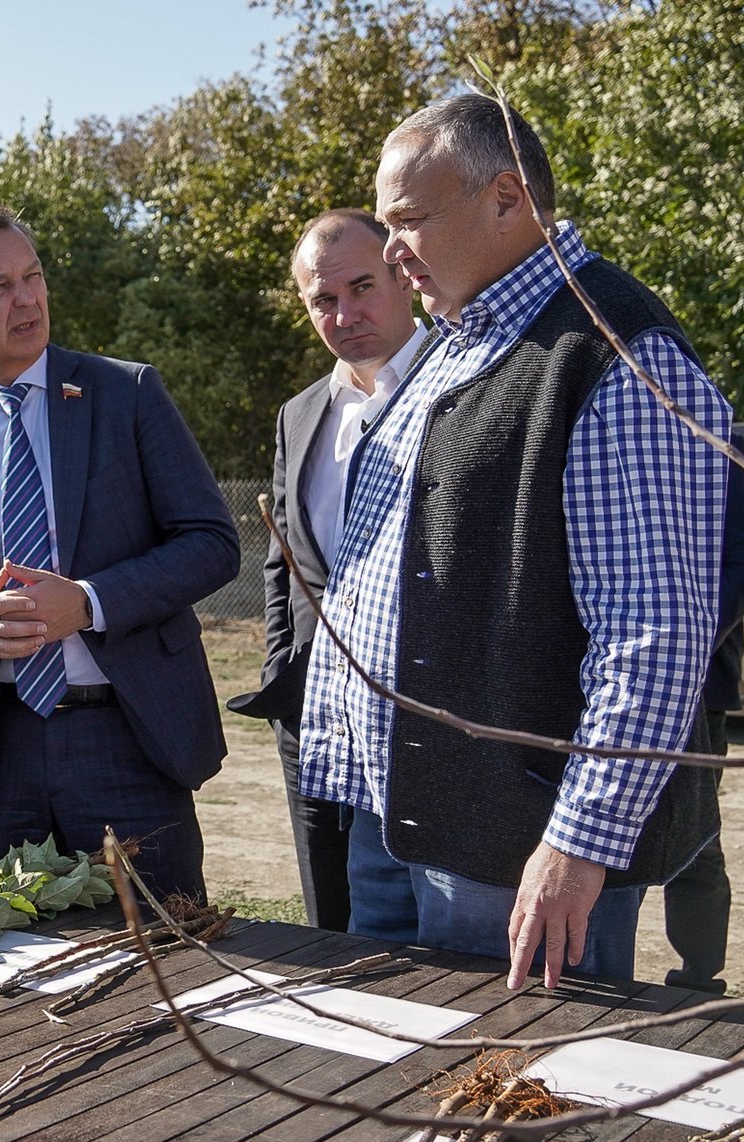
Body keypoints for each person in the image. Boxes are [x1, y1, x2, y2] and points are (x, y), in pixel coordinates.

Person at [300, 94, 731, 990]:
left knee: (510, 1071)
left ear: (507, 198)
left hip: (513, 847)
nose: (392, 250)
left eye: (408, 220)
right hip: (399, 818)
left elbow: (655, 632)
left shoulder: (617, 353)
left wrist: (580, 841)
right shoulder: (462, 340)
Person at [0, 204, 241, 899]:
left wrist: (90, 603)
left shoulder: (125, 395)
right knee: (18, 958)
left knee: (163, 944)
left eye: (32, 276)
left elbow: (212, 544)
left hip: (127, 739)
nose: (27, 299)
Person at [228, 209, 431, 932]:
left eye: (362, 287)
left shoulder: (463, 386)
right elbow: (283, 559)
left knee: (438, 952)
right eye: (323, 300)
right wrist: (284, 671)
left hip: (424, 721)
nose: (345, 315)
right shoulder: (301, 413)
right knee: (330, 934)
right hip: (315, 720)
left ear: (404, 277)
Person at [663, 435, 744, 993]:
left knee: (694, 832)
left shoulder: (719, 440)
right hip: (598, 669)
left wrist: (685, 647)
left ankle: (699, 972)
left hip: (700, 680)